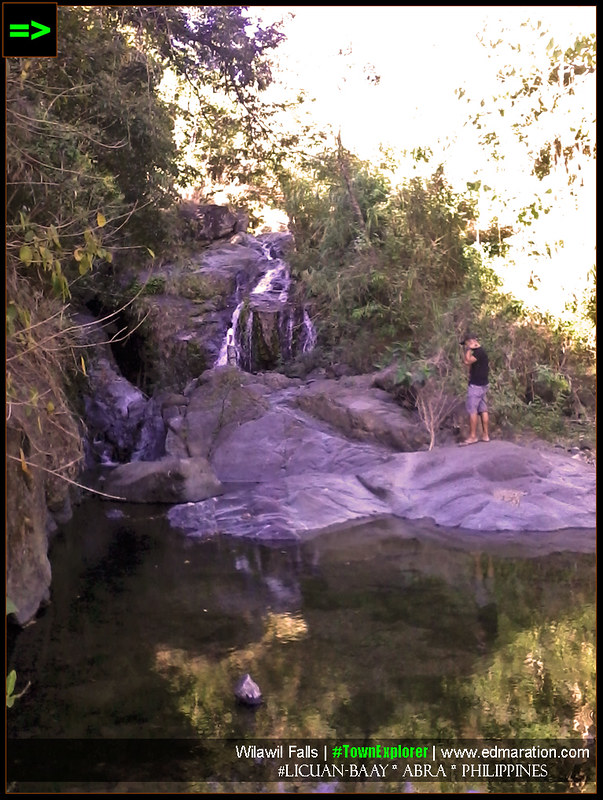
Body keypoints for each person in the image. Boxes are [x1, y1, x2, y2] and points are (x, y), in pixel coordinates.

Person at [459, 333, 489, 445]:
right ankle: (485, 435)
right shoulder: (481, 352)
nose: (465, 346)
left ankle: (473, 436)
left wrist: (468, 350)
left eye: (466, 344)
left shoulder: (479, 352)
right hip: (483, 385)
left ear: (470, 341)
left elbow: (467, 361)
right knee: (483, 409)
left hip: (476, 385)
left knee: (473, 410)